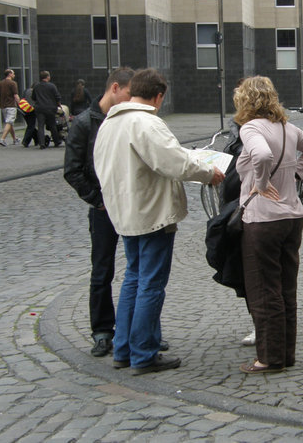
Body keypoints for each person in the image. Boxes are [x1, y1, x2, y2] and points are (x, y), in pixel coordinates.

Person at [94, 68, 225, 375]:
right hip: (152, 213)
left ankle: (124, 350)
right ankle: (143, 354)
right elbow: (174, 162)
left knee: (133, 279)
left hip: (125, 212)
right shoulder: (146, 122)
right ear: (158, 96)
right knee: (150, 284)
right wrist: (209, 173)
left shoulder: (110, 123)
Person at [233, 76, 303, 373]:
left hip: (263, 219)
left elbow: (261, 154)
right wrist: (296, 175)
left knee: (264, 289)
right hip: (292, 218)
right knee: (286, 289)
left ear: (245, 101)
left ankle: (268, 359)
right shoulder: (288, 128)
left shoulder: (251, 128)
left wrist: (260, 183)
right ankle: (286, 355)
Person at [64, 67, 135, 357]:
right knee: (102, 270)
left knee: (137, 269)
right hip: (104, 208)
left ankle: (135, 331)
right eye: (129, 95)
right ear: (115, 88)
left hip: (130, 203)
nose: (132, 102)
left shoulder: (128, 119)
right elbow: (72, 171)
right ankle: (103, 331)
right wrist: (98, 200)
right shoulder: (84, 123)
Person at [31, 70, 63, 149]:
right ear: (47, 77)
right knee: (52, 125)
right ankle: (56, 141)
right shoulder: (52, 86)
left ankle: (42, 143)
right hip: (50, 108)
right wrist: (58, 104)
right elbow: (57, 96)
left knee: (40, 126)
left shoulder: (36, 86)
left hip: (40, 108)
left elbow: (33, 97)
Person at [0, 69, 20, 146]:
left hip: (3, 106)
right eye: (13, 73)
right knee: (9, 122)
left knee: (10, 122)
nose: (14, 75)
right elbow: (15, 95)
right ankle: (2, 139)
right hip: (11, 105)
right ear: (10, 74)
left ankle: (15, 139)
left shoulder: (0, 83)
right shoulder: (13, 83)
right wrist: (19, 103)